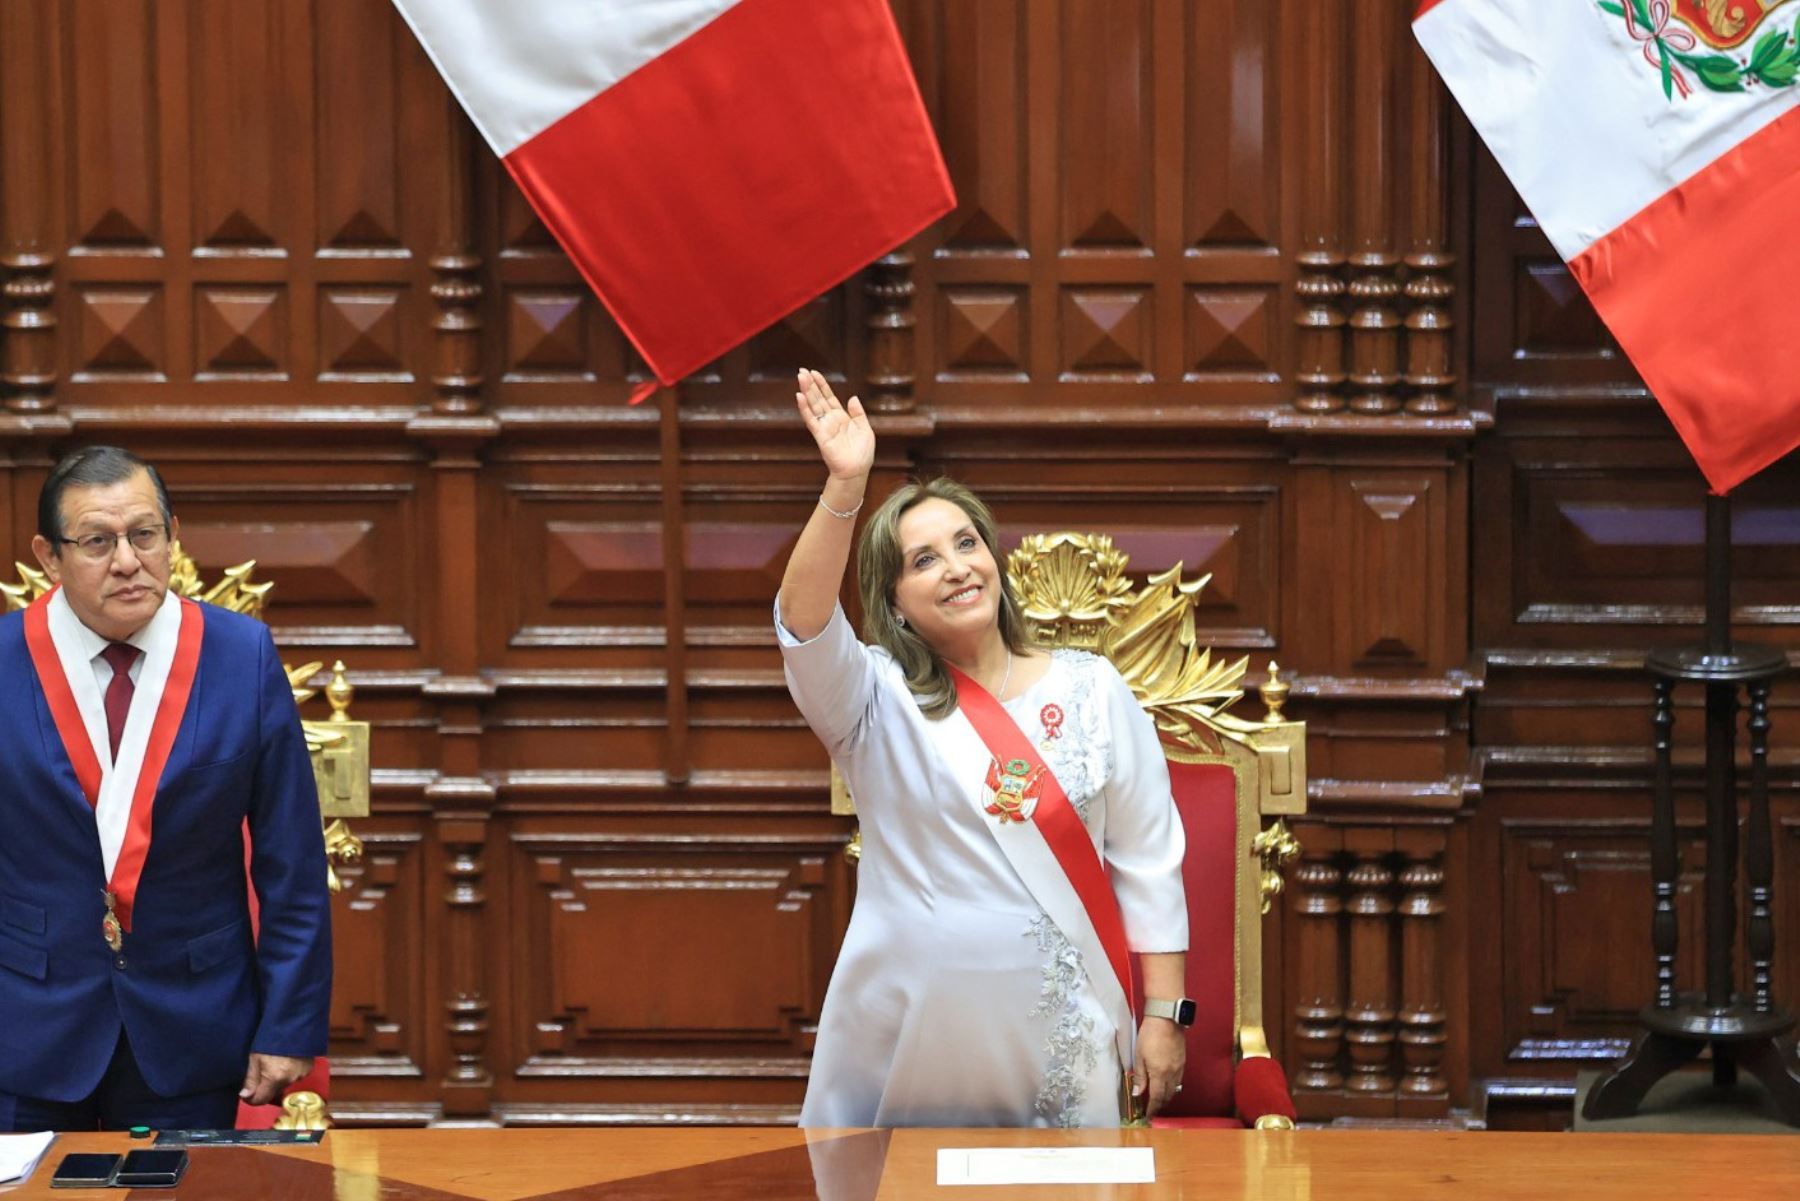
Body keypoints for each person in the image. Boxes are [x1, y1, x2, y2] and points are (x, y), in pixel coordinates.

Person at [778, 370, 1190, 1128]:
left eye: (966, 542)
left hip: (1063, 1038)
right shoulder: (871, 698)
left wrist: (1165, 1014)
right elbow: (802, 626)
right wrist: (846, 486)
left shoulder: (1093, 686)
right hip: (912, 1040)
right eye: (923, 559)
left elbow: (1148, 858)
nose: (957, 565)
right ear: (893, 601)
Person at [0, 446, 331, 1131]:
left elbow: (292, 862)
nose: (127, 560)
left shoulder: (242, 657)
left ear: (172, 535)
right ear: (49, 555)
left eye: (144, 534)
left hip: (193, 1024)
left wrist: (289, 1024)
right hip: (25, 1027)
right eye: (97, 540)